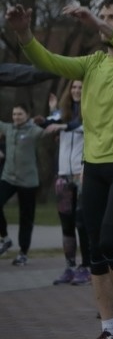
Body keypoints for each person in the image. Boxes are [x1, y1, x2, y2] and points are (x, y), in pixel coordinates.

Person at [8, 0, 113, 339]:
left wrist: (98, 24)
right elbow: (48, 61)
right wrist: (25, 34)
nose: (104, 20)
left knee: (112, 239)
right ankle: (108, 330)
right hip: (95, 164)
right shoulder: (92, 64)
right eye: (103, 14)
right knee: (93, 248)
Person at [45, 83, 92, 285]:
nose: (76, 90)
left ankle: (87, 267)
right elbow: (47, 124)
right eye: (73, 87)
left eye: (81, 87)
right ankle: (69, 267)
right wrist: (52, 113)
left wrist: (60, 126)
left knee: (82, 221)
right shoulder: (62, 114)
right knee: (66, 223)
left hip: (82, 174)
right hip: (63, 175)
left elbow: (77, 127)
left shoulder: (91, 112)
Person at [0, 103, 58, 264]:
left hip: (28, 182)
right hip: (8, 178)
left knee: (26, 218)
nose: (16, 117)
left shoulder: (34, 131)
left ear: (27, 115)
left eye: (19, 114)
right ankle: (5, 238)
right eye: (14, 114)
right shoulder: (8, 128)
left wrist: (53, 111)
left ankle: (23, 253)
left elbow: (50, 129)